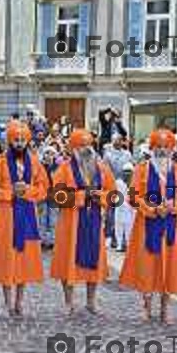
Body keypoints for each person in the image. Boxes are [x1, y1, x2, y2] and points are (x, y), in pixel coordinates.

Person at [119, 129, 177, 324]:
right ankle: (146, 306)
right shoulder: (141, 169)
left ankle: (165, 308)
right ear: (151, 148)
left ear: (172, 150)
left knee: (170, 266)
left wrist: (173, 206)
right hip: (146, 225)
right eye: (158, 147)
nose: (162, 151)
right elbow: (133, 196)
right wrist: (152, 208)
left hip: (171, 226)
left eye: (166, 147)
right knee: (147, 265)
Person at [0, 120, 48, 316]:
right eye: (16, 140)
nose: (19, 144)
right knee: (6, 259)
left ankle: (20, 301)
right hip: (5, 216)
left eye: (22, 140)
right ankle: (7, 302)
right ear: (10, 142)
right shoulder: (0, 163)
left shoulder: (35, 162)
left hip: (27, 216)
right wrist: (9, 193)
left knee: (24, 260)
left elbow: (44, 189)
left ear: (27, 141)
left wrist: (28, 191)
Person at [50, 129, 116, 314]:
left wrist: (100, 196)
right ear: (73, 149)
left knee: (94, 261)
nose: (86, 149)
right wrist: (81, 196)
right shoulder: (63, 169)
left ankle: (91, 302)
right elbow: (56, 196)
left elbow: (113, 195)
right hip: (71, 223)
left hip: (94, 220)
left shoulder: (102, 168)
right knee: (68, 261)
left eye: (88, 145)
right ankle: (68, 302)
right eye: (81, 146)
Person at [114, 162, 136, 252]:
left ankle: (128, 244)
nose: (127, 174)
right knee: (118, 226)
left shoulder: (134, 183)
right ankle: (119, 244)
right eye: (125, 172)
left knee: (129, 227)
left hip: (130, 209)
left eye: (129, 172)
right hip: (119, 207)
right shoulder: (118, 183)